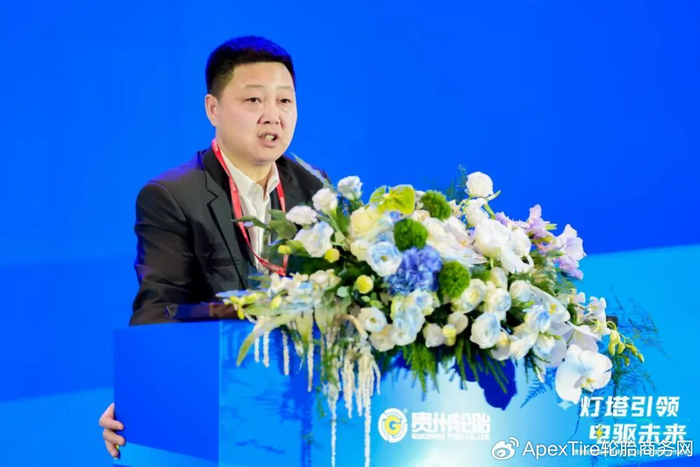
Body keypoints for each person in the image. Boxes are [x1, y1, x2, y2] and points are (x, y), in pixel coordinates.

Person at [99, 35, 325, 459]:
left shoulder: (316, 188)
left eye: (285, 101)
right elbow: (159, 308)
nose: (272, 116)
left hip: (305, 405)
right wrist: (140, 394)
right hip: (221, 403)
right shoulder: (172, 195)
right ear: (213, 109)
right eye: (254, 100)